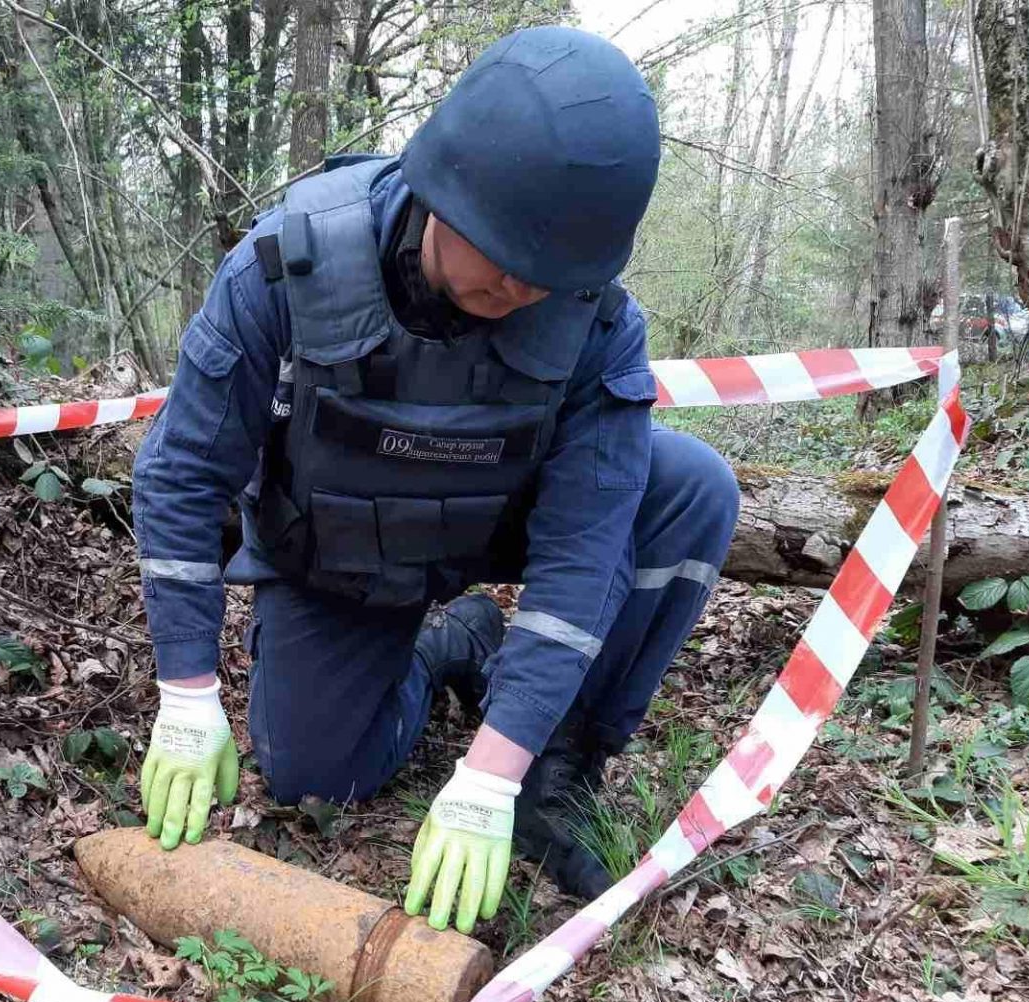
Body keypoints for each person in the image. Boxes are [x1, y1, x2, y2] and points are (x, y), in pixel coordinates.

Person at [130, 26, 740, 934]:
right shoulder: (283, 268)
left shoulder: (598, 323)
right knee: (311, 774)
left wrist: (493, 775)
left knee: (690, 486)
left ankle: (558, 763)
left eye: (551, 274)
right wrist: (185, 692)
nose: (525, 290)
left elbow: (583, 553)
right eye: (509, 258)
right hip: (339, 548)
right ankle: (448, 644)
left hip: (498, 516)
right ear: (442, 188)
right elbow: (181, 474)